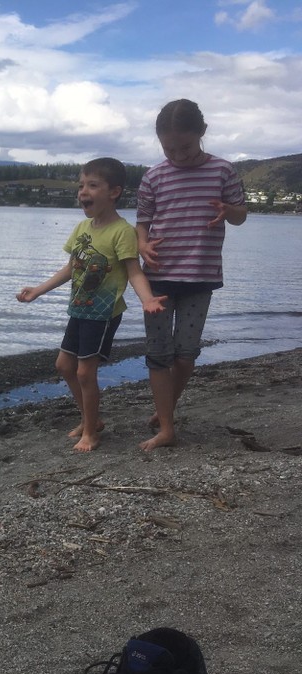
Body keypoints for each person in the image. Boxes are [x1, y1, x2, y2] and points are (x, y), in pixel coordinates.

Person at [17, 158, 166, 452]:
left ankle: (91, 433)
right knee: (64, 365)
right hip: (79, 308)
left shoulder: (122, 231)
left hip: (103, 313)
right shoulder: (82, 227)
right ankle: (91, 421)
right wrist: (38, 290)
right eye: (81, 185)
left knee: (86, 372)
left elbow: (134, 271)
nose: (83, 191)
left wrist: (147, 299)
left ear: (114, 192)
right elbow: (70, 268)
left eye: (93, 185)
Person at [136, 99, 248, 451]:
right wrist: (142, 245)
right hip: (159, 275)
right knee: (158, 352)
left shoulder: (222, 171)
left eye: (185, 147)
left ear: (201, 133)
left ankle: (166, 408)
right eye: (169, 148)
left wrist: (230, 210)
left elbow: (241, 215)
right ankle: (167, 427)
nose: (178, 155)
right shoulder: (154, 175)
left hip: (200, 275)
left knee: (185, 353)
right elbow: (142, 221)